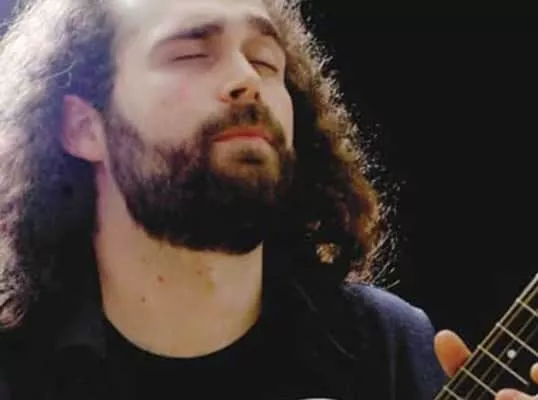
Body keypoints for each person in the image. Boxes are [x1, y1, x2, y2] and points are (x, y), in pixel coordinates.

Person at [0, 0, 536, 399]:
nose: (245, 78)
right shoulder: (16, 367)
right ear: (82, 128)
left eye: (265, 61)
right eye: (191, 53)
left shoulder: (384, 346)